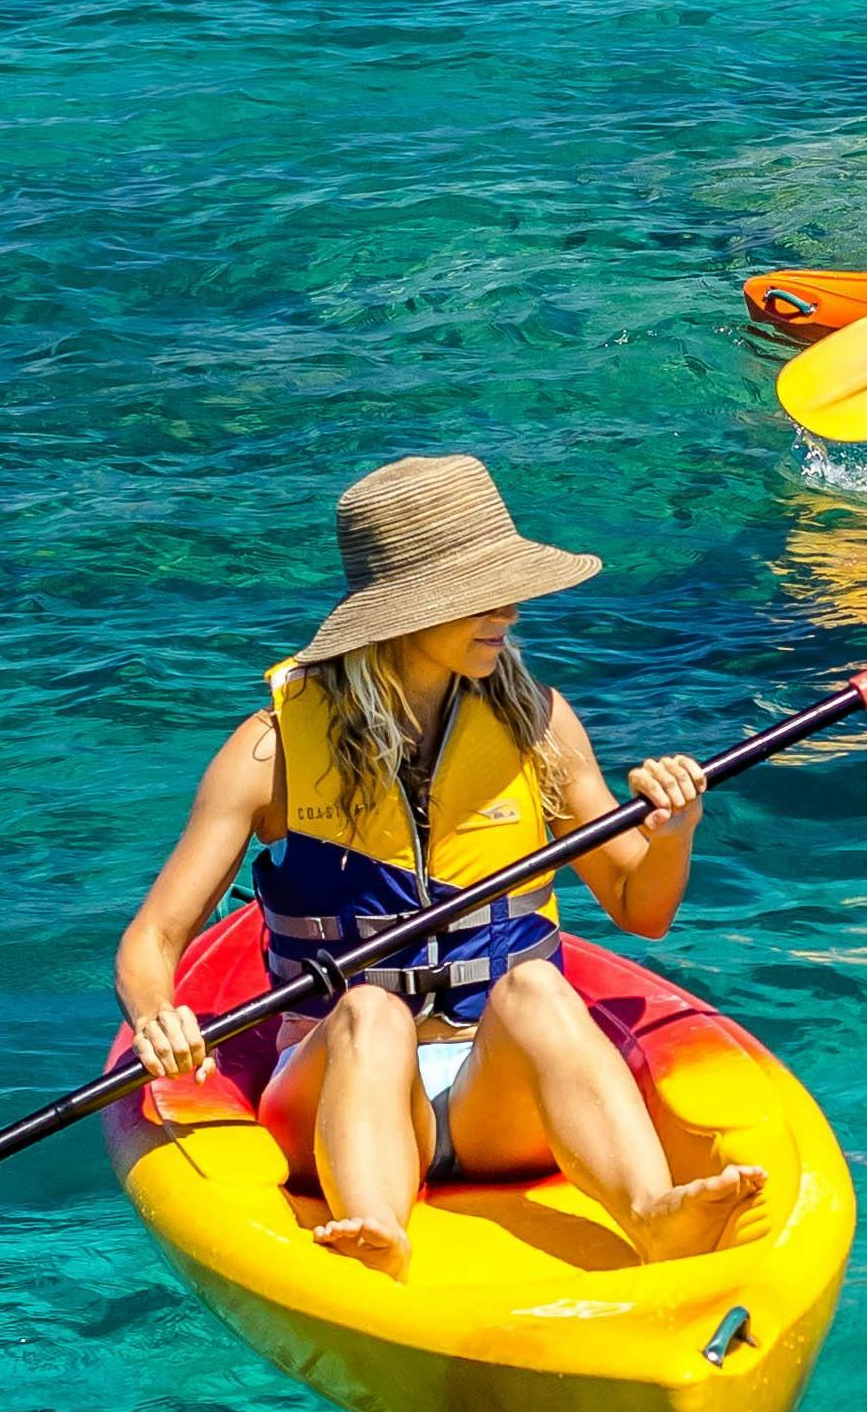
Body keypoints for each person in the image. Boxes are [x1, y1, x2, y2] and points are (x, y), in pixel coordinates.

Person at [109, 455, 763, 1276]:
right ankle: (376, 1230)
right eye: (480, 594)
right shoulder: (270, 750)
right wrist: (155, 1016)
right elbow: (153, 938)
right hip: (339, 1094)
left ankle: (648, 1211)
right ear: (402, 614)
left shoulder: (538, 724)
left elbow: (640, 907)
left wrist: (674, 831)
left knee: (536, 986)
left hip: (499, 1099)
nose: (510, 610)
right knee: (372, 1011)